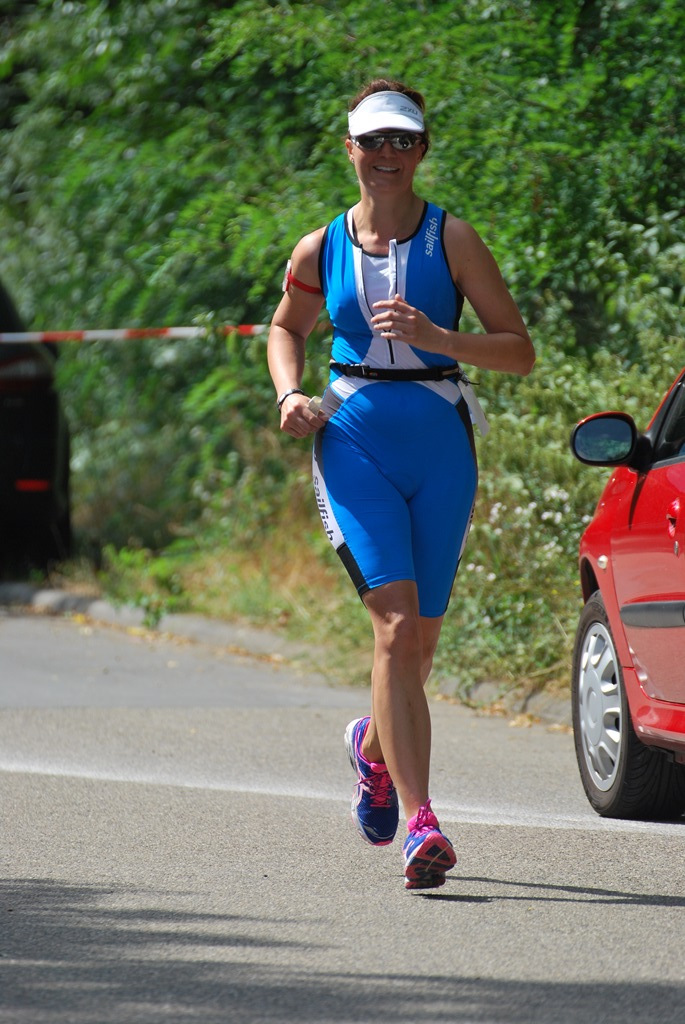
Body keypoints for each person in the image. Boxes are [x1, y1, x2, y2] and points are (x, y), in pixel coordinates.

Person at [267, 78, 535, 890]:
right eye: (373, 140)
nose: (387, 154)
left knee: (419, 645)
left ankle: (371, 749)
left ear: (421, 150)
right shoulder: (320, 247)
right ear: (348, 147)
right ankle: (423, 822)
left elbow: (517, 350)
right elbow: (285, 326)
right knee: (392, 629)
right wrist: (288, 394)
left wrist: (436, 335)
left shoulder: (453, 239)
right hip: (353, 438)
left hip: (440, 441)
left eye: (402, 140)